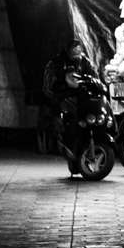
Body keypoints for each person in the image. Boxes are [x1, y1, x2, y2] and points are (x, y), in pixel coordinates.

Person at [43, 40, 104, 176]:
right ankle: (67, 146)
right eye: (74, 52)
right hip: (63, 99)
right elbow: (48, 87)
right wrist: (57, 97)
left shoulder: (85, 62)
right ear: (68, 51)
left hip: (82, 98)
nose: (77, 54)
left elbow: (95, 77)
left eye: (79, 51)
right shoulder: (56, 63)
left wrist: (96, 84)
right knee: (66, 123)